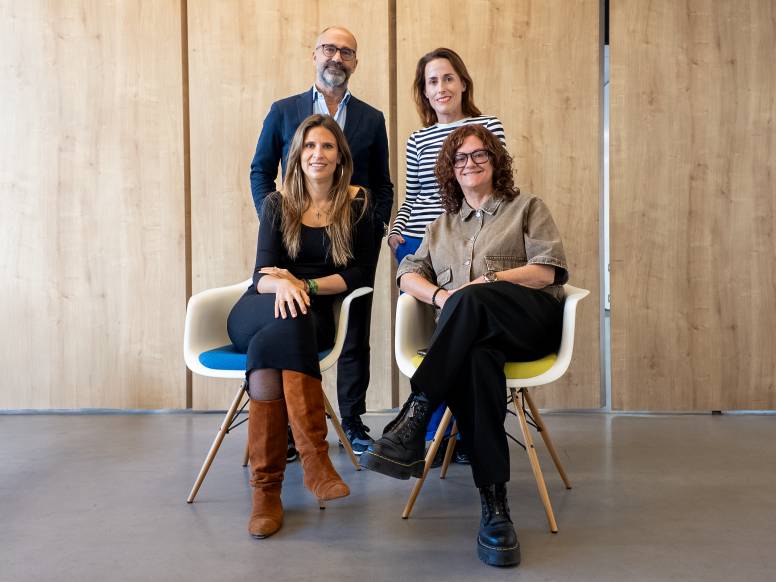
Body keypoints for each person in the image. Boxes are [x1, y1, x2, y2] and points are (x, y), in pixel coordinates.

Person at [361, 124, 568, 568]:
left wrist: (486, 282)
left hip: (528, 326)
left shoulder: (527, 207)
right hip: (474, 342)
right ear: (450, 170)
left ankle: (416, 413)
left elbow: (546, 271)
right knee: (476, 360)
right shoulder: (440, 227)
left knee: (471, 299)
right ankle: (495, 508)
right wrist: (441, 297)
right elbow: (406, 273)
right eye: (460, 158)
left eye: (479, 155)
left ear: (495, 161)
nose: (469, 164)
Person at [249, 26, 393, 457]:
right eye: (329, 48)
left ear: (355, 62)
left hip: (350, 245)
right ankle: (292, 431)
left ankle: (353, 420)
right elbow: (261, 170)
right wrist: (278, 222)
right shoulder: (284, 110)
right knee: (288, 318)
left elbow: (382, 184)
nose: (337, 57)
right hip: (293, 244)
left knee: (355, 331)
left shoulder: (371, 118)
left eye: (346, 51)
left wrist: (372, 228)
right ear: (314, 55)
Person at [229, 114, 375, 539]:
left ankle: (265, 492)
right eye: (310, 146)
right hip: (258, 308)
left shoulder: (358, 203)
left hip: (311, 315)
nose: (317, 154)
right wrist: (284, 286)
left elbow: (359, 274)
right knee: (287, 321)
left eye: (327, 146)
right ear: (297, 155)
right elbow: (261, 275)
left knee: (275, 344)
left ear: (340, 156)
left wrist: (304, 285)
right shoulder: (278, 203)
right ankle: (315, 459)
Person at [388, 48, 506, 460]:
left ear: (463, 83)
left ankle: (459, 434)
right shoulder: (417, 139)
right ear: (424, 91)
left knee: (459, 333)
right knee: (429, 339)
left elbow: (498, 188)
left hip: (465, 244)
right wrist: (397, 231)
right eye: (432, 81)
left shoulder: (487, 126)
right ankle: (431, 439)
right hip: (417, 245)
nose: (441, 87)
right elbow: (413, 196)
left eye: (448, 78)